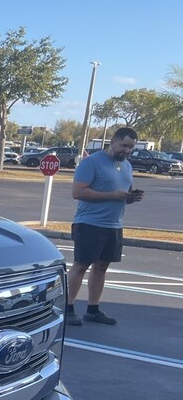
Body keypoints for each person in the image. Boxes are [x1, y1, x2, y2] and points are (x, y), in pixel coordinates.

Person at [64, 127, 144, 326]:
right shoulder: (91, 162)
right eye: (124, 145)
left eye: (131, 147)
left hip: (114, 225)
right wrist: (112, 195)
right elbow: (78, 192)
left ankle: (93, 309)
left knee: (101, 267)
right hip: (90, 224)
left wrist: (131, 197)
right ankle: (68, 307)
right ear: (113, 142)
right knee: (81, 265)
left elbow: (123, 193)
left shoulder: (127, 166)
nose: (127, 150)